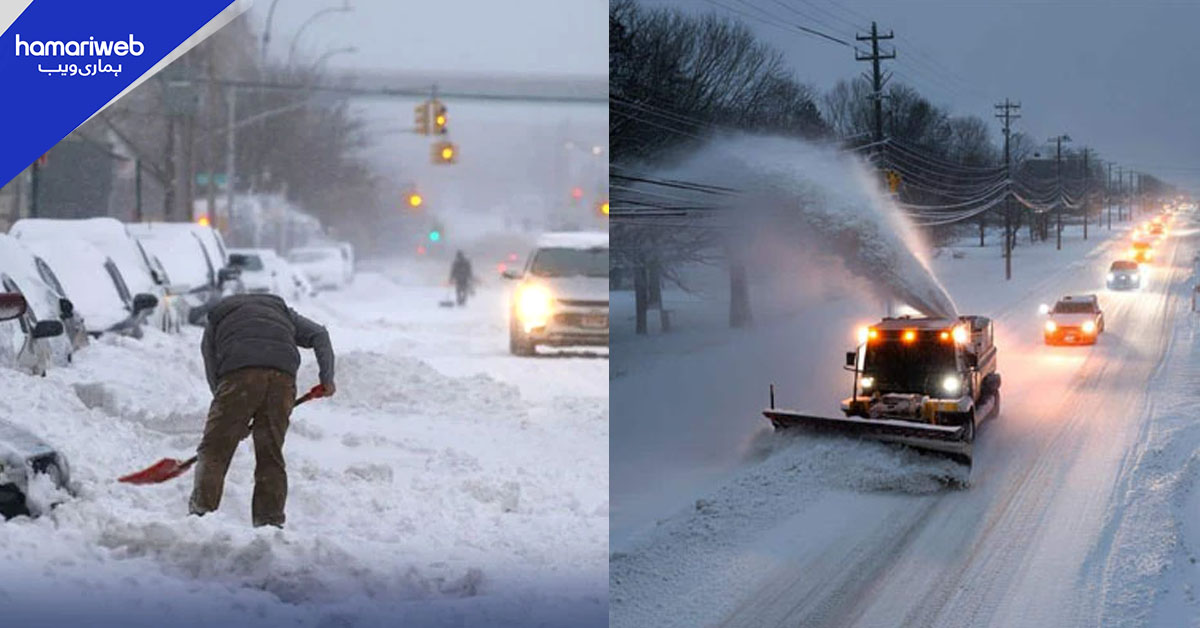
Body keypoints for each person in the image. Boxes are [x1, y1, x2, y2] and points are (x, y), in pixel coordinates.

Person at [190, 293, 335, 528]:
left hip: (239, 376)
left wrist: (231, 416)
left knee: (214, 450)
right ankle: (269, 521)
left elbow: (212, 368)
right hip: (281, 379)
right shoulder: (282, 312)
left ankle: (201, 517)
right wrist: (327, 379)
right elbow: (320, 334)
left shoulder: (217, 318)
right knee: (270, 452)